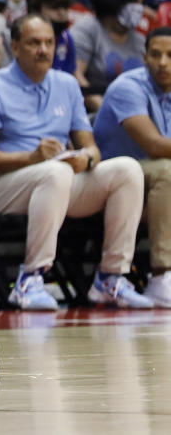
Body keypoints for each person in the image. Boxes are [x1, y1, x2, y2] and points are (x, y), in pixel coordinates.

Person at [0, 14, 151, 310]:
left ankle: (111, 277)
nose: (44, 50)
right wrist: (31, 158)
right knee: (54, 171)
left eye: (49, 42)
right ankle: (31, 279)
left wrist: (86, 159)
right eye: (34, 42)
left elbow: (91, 147)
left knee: (127, 169)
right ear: (15, 46)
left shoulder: (66, 84)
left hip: (55, 182)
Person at [93, 26, 171, 307]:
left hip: (152, 182)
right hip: (111, 176)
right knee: (166, 170)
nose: (163, 62)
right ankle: (162, 276)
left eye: (170, 55)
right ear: (144, 57)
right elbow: (154, 145)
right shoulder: (128, 87)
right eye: (156, 54)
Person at [72, 0, 146, 112]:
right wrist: (107, 113)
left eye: (141, 3)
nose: (140, 9)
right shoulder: (88, 29)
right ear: (116, 2)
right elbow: (75, 77)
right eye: (135, 3)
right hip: (93, 112)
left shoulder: (139, 39)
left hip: (135, 113)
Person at [26, 0, 77, 75]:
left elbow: (71, 75)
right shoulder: (24, 40)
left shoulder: (67, 38)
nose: (62, 13)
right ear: (36, 10)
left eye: (65, 8)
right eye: (54, 8)